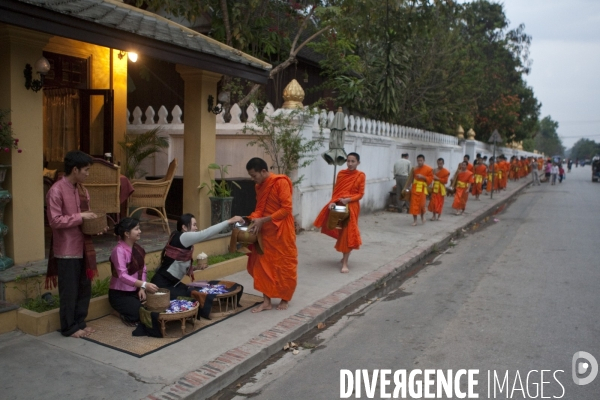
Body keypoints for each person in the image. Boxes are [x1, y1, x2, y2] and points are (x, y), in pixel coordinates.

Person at [45, 150, 101, 338]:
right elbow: (54, 221)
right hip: (67, 249)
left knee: (84, 288)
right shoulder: (56, 190)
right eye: (86, 170)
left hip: (83, 246)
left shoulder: (81, 189)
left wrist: (94, 226)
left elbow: (86, 219)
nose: (88, 173)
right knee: (69, 291)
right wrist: (80, 217)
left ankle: (80, 323)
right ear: (75, 169)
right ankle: (69, 327)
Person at [245, 157, 297, 312]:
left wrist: (263, 220)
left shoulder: (280, 182)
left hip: (282, 232)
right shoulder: (259, 186)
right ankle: (266, 301)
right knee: (262, 266)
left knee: (284, 266)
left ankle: (285, 298)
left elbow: (286, 209)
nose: (253, 179)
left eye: (254, 175)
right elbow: (260, 208)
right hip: (265, 233)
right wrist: (252, 219)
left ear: (263, 171)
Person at [151, 213, 244, 299]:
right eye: (194, 225)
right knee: (194, 297)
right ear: (184, 227)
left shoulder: (180, 238)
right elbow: (206, 233)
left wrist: (195, 268)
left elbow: (177, 263)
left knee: (199, 291)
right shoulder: (183, 237)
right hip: (161, 285)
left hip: (173, 283)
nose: (196, 228)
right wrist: (230, 221)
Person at [314, 153, 366, 273]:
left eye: (353, 161)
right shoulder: (341, 174)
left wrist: (349, 199)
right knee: (342, 232)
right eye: (348, 161)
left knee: (349, 232)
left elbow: (360, 194)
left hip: (352, 207)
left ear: (358, 162)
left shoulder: (361, 176)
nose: (350, 164)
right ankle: (344, 257)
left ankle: (345, 263)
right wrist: (332, 202)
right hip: (340, 206)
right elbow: (336, 192)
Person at [109, 218, 158, 326]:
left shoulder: (137, 248)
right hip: (120, 294)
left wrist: (142, 288)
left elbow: (143, 269)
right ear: (127, 233)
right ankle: (118, 313)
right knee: (138, 315)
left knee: (155, 306)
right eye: (136, 229)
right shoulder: (118, 250)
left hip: (135, 291)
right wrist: (144, 284)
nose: (140, 231)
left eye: (139, 228)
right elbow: (122, 275)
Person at [408, 154, 433, 226]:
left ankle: (422, 217)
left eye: (421, 160)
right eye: (418, 160)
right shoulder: (414, 169)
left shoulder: (428, 169)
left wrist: (423, 177)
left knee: (422, 205)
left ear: (424, 160)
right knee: (414, 205)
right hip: (415, 188)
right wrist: (408, 187)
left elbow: (430, 179)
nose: (420, 162)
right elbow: (410, 178)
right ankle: (415, 221)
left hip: (422, 189)